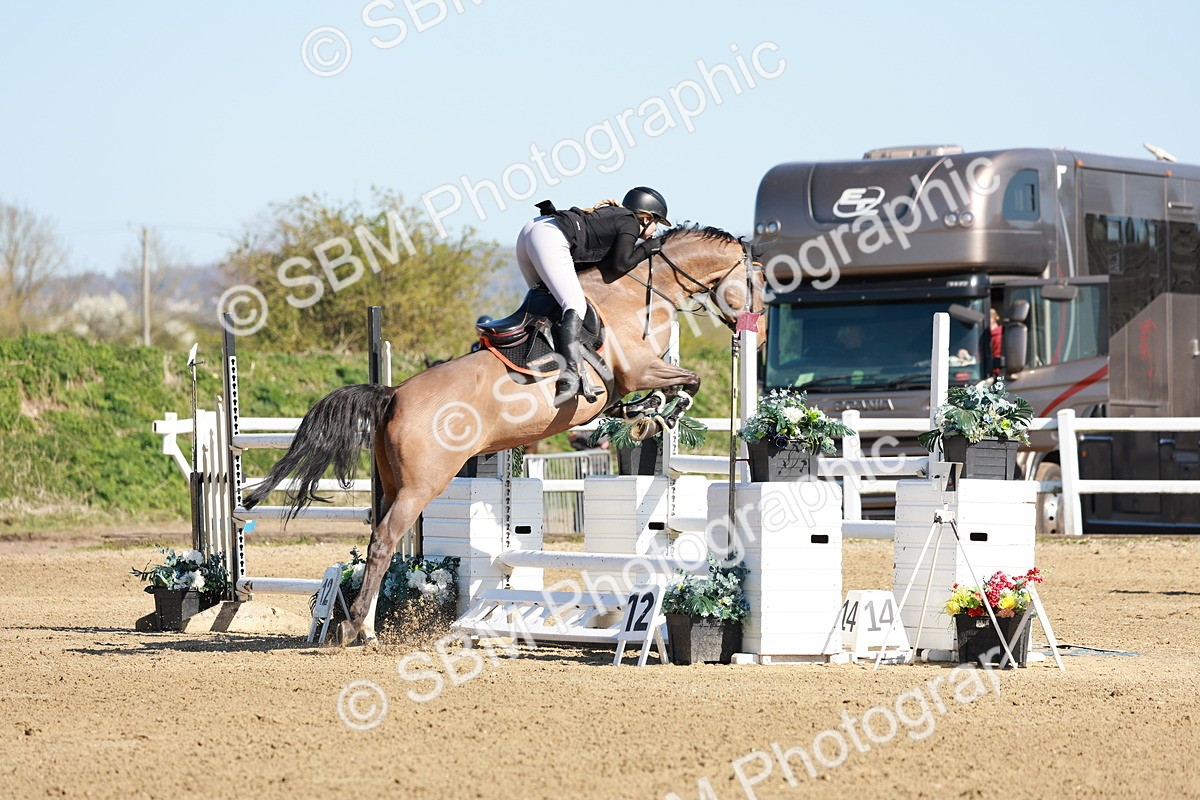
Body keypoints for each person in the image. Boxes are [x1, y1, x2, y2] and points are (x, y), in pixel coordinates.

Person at [515, 187, 670, 404]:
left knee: (550, 303)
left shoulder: (615, 217)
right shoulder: (630, 222)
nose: (655, 231)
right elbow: (621, 264)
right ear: (645, 217)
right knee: (575, 305)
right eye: (657, 223)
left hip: (532, 231)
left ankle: (532, 360)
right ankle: (569, 377)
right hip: (548, 236)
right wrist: (647, 248)